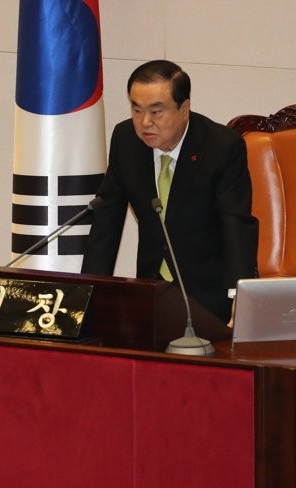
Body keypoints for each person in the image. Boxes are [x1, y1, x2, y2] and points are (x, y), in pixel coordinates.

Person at [81, 60, 258, 323]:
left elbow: (237, 226)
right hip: (151, 294)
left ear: (184, 109)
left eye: (156, 111)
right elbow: (106, 222)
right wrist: (88, 293)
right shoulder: (126, 140)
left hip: (210, 298)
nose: (145, 122)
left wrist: (239, 296)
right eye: (136, 109)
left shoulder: (221, 147)